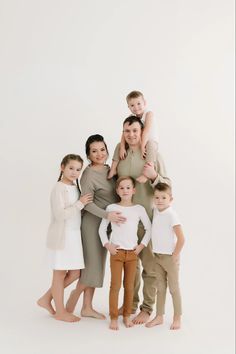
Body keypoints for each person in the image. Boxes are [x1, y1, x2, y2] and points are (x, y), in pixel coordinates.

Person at [115, 115, 170, 325]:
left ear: (142, 131)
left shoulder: (152, 154)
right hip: (124, 223)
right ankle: (130, 304)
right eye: (127, 131)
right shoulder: (119, 152)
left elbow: (167, 185)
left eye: (135, 131)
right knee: (131, 268)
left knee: (149, 268)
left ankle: (147, 308)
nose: (131, 135)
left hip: (147, 222)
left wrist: (154, 175)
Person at [65, 135, 126, 319]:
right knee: (92, 266)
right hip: (92, 225)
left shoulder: (111, 170)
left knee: (97, 268)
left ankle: (87, 308)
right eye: (94, 151)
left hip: (108, 226)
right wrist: (107, 215)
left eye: (102, 149)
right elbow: (87, 204)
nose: (99, 154)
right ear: (88, 155)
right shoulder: (89, 174)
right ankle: (71, 297)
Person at [37, 154, 93, 322]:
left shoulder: (75, 188)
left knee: (75, 273)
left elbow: (76, 213)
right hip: (62, 236)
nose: (74, 172)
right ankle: (60, 312)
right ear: (62, 167)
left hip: (74, 236)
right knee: (60, 273)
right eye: (71, 168)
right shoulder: (59, 188)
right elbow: (60, 214)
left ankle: (46, 298)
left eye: (78, 169)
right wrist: (80, 204)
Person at [99, 176, 151, 330]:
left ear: (133, 190)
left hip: (132, 254)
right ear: (117, 191)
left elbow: (148, 228)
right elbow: (102, 229)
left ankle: (127, 316)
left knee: (129, 286)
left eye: (128, 187)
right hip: (117, 253)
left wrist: (141, 246)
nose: (125, 190)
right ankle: (114, 317)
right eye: (121, 188)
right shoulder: (111, 208)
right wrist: (108, 245)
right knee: (115, 286)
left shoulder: (139, 209)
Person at [146, 182, 185, 330]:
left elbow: (181, 239)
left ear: (170, 199)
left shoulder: (171, 215)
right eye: (157, 197)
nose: (160, 200)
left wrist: (175, 256)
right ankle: (159, 316)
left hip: (170, 257)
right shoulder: (155, 211)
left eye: (163, 197)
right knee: (160, 288)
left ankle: (177, 317)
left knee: (174, 288)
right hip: (158, 256)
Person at [108, 90, 159, 183]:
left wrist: (143, 146)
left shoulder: (149, 114)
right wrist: (123, 147)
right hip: (140, 141)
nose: (136, 107)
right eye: (132, 105)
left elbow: (146, 131)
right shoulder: (132, 116)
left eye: (139, 103)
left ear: (145, 103)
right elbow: (124, 132)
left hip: (150, 141)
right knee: (119, 145)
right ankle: (113, 168)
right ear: (128, 107)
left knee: (150, 145)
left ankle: (147, 173)